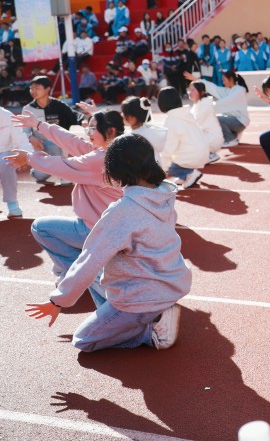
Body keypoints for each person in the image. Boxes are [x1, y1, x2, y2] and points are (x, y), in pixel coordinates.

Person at [25, 134, 192, 352]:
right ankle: (149, 315)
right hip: (168, 282)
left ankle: (152, 332)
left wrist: (58, 301)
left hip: (141, 296)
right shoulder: (163, 195)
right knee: (103, 280)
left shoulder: (122, 211)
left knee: (84, 340)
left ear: (117, 171)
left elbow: (89, 260)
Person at [8, 110, 125, 306]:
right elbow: (73, 142)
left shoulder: (100, 159)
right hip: (118, 227)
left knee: (41, 228)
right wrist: (39, 125)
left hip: (98, 229)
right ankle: (80, 274)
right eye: (88, 127)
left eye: (93, 128)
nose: (88, 132)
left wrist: (29, 158)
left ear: (110, 131)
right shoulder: (119, 152)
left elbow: (62, 166)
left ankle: (82, 277)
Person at [24, 75, 80, 184]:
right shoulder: (28, 109)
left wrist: (84, 121)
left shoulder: (58, 105)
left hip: (58, 142)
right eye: (31, 88)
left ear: (47, 89)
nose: (33, 91)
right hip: (39, 145)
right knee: (40, 175)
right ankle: (37, 172)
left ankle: (64, 174)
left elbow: (74, 116)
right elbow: (24, 131)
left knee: (56, 146)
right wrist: (30, 137)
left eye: (37, 88)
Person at [156, 87, 208, 189]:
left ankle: (188, 173)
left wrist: (162, 168)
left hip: (192, 156)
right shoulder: (186, 113)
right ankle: (184, 176)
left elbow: (168, 148)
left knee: (164, 169)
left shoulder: (171, 120)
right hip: (204, 153)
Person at [185, 71, 250, 147]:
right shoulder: (229, 90)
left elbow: (225, 103)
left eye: (224, 80)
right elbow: (213, 88)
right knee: (217, 117)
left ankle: (230, 139)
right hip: (234, 120)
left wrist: (208, 106)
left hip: (240, 122)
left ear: (231, 79)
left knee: (218, 119)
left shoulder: (239, 90)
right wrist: (196, 79)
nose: (223, 82)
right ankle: (233, 136)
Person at [0, 104, 31, 217]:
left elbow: (21, 140)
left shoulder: (8, 116)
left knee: (7, 162)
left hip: (5, 153)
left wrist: (26, 158)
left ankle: (12, 203)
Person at [187, 82, 225, 163]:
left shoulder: (204, 105)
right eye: (189, 90)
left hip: (212, 140)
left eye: (193, 90)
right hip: (207, 138)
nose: (190, 92)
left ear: (202, 92)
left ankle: (209, 154)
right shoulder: (198, 104)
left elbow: (193, 123)